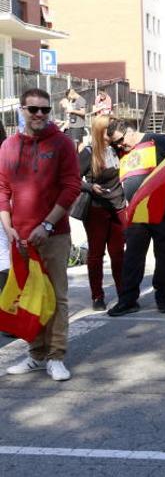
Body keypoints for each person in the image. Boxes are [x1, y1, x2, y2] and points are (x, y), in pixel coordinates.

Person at [0, 88, 81, 381]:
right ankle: (36, 354)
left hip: (54, 234)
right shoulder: (8, 146)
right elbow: (3, 190)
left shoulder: (61, 143)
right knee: (28, 295)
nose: (39, 115)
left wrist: (47, 225)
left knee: (57, 297)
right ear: (22, 110)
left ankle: (56, 356)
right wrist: (8, 227)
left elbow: (71, 186)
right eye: (33, 109)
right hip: (19, 237)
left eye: (45, 110)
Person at [105, 119, 165, 317]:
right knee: (132, 256)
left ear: (129, 131)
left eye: (120, 141)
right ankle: (128, 299)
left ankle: (163, 296)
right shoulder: (124, 151)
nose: (120, 146)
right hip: (139, 213)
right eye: (116, 144)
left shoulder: (159, 140)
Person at [78, 115, 126, 311]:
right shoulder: (89, 152)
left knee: (118, 254)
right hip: (96, 209)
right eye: (110, 127)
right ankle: (97, 296)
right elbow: (72, 178)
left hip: (118, 206)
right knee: (96, 254)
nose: (114, 130)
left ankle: (124, 293)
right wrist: (90, 187)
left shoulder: (117, 149)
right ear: (102, 131)